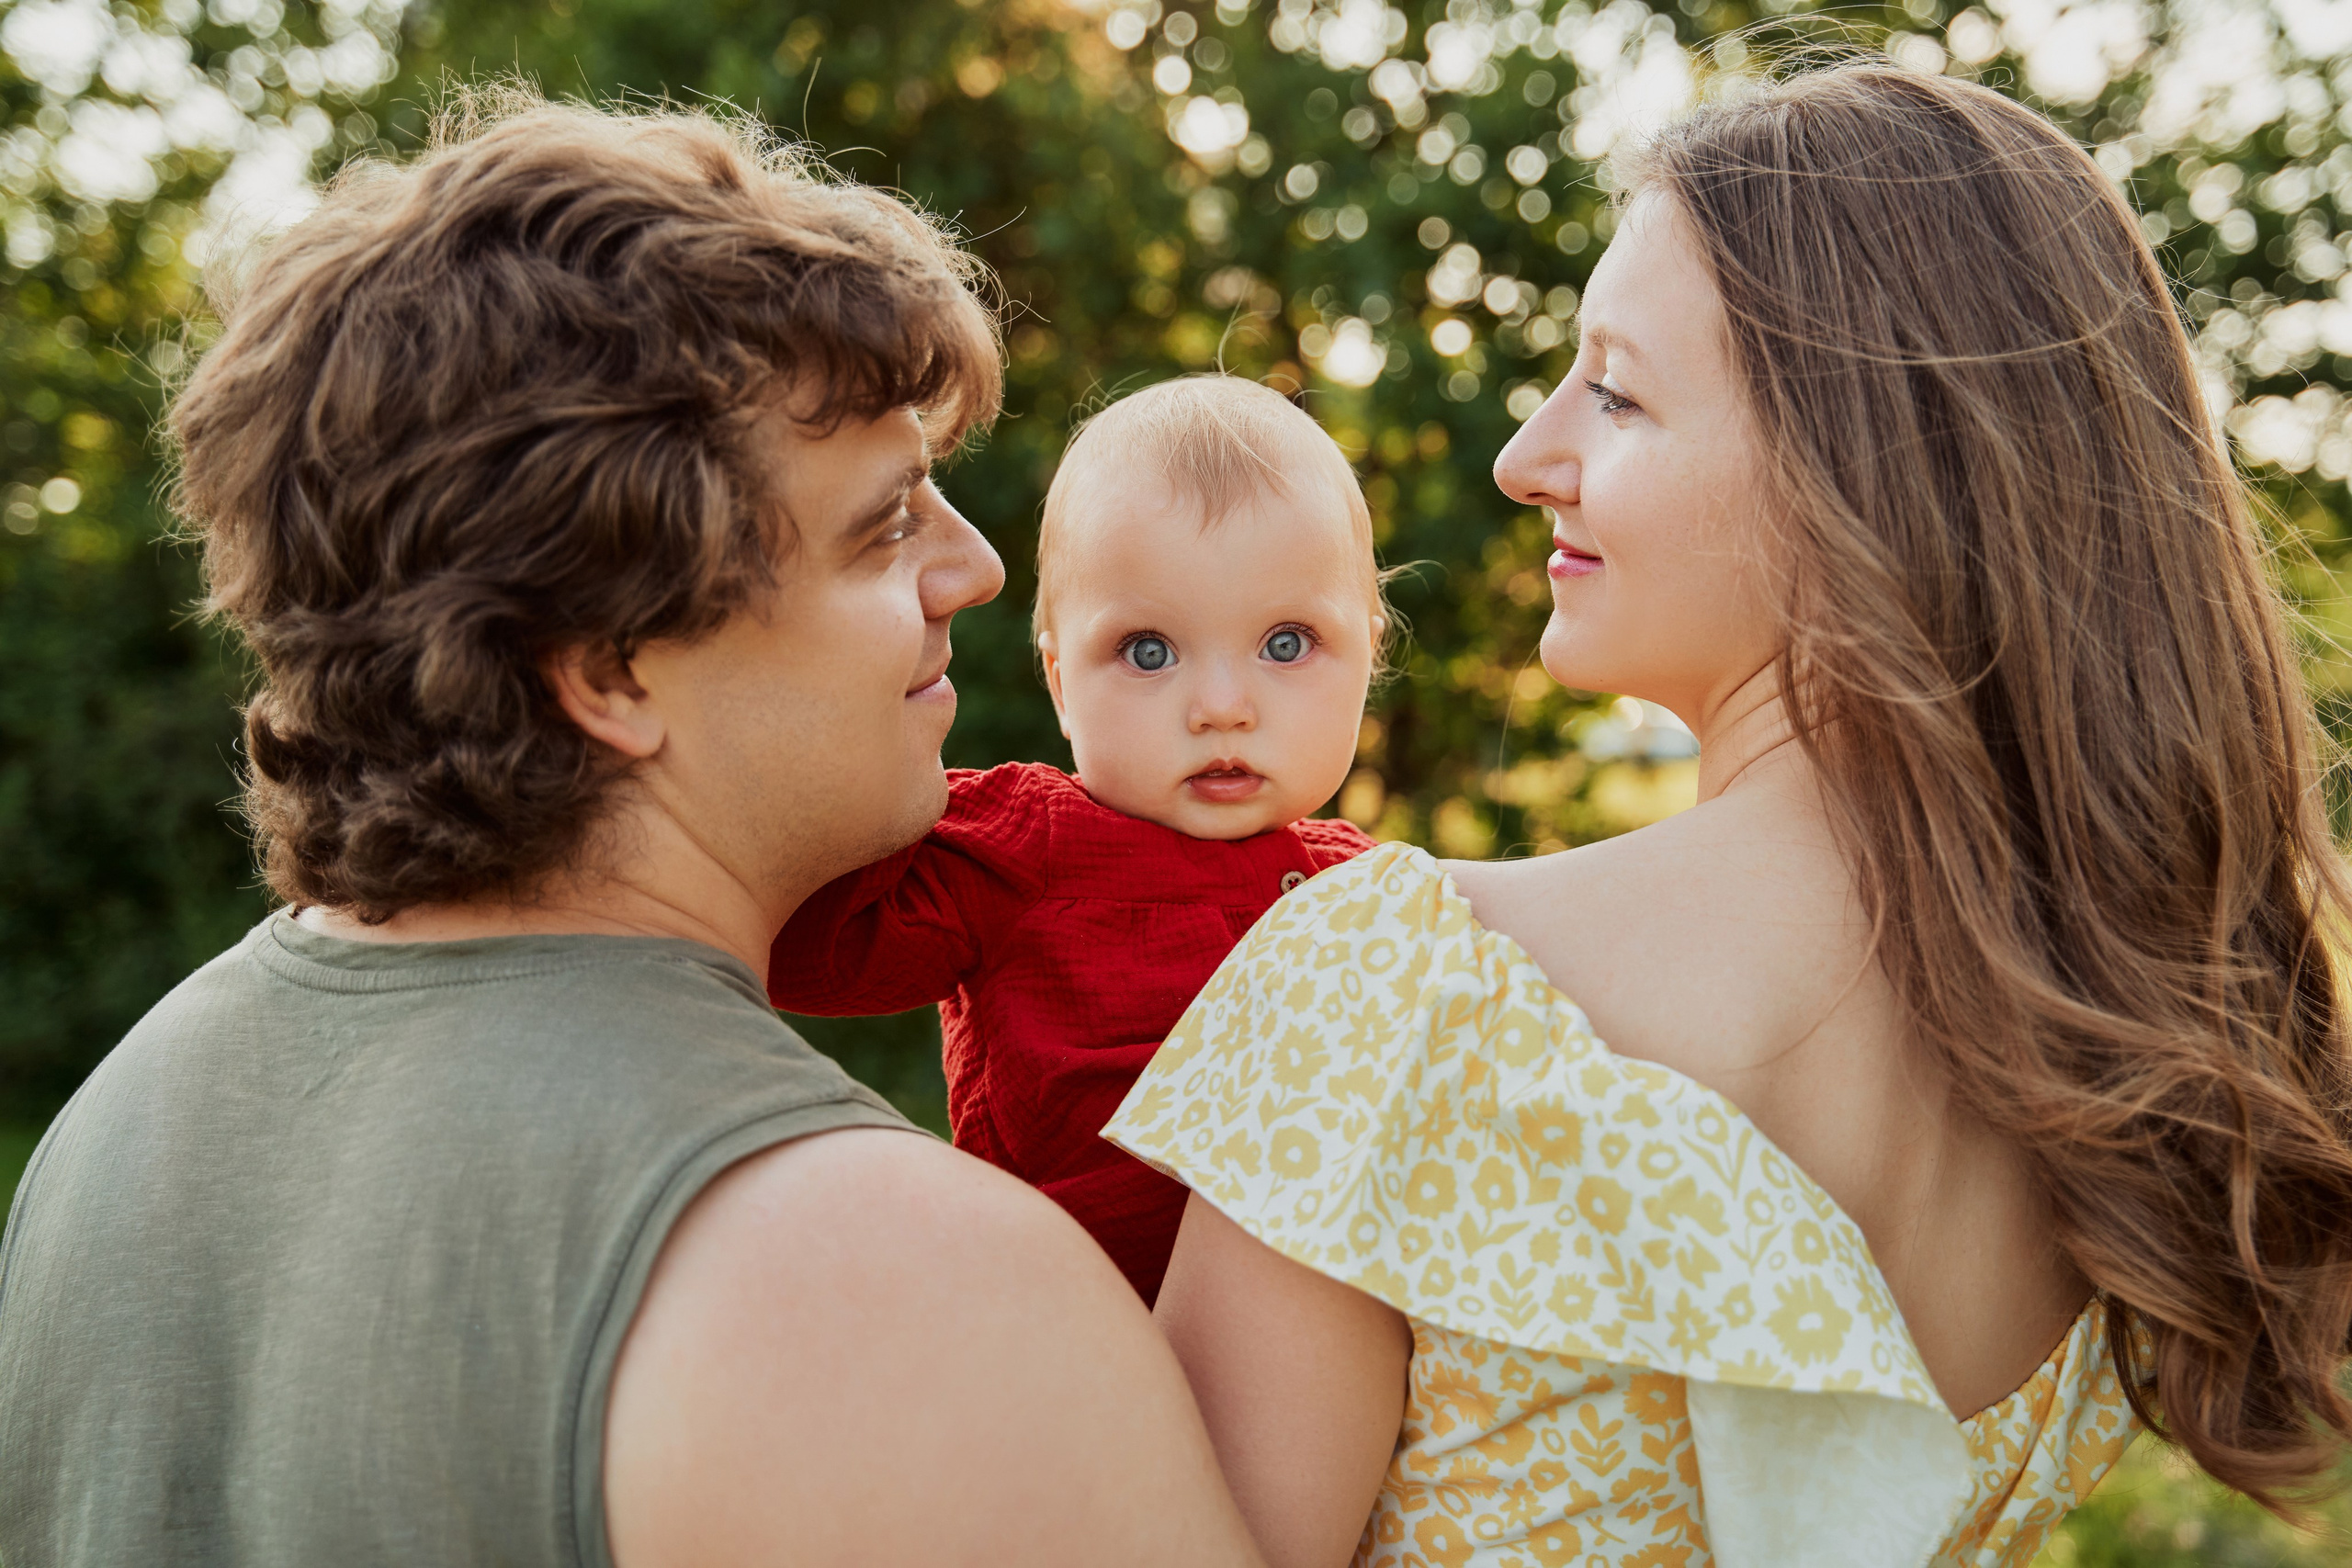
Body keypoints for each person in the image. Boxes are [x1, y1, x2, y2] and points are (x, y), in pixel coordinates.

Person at [1104, 62, 2352, 1568]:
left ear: (1857, 470)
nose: (1527, 458)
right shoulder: (2110, 1072)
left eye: (1615, 390)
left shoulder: (1401, 987)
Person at [0, 93, 1266, 1568]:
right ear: (608, 667)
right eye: (884, 525)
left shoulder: (111, 1134)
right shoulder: (907, 1283)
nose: (974, 569)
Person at [768, 376, 1380, 1303]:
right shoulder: (1020, 846)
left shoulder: (1374, 892)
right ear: (1059, 681)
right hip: (1077, 1351)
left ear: (1368, 655)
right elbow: (792, 937)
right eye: (1148, 652)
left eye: (1286, 644)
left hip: (1328, 1352)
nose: (1221, 707)